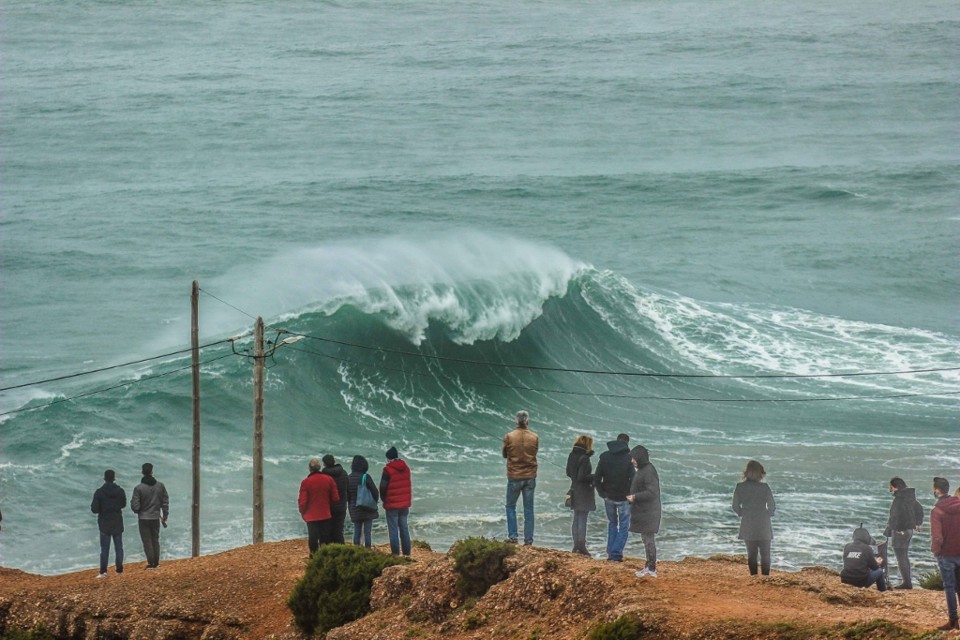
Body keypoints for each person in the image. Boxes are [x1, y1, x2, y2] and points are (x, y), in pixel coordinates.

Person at [594, 434, 634, 562]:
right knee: (623, 526)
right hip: (623, 498)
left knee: (612, 523)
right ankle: (615, 554)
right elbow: (633, 479)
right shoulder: (628, 459)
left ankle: (611, 551)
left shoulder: (605, 456)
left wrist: (601, 492)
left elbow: (596, 478)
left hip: (608, 497)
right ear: (626, 443)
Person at [732, 460, 776, 576]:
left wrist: (742, 513)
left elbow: (735, 506)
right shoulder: (764, 487)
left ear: (746, 473)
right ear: (760, 474)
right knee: (765, 553)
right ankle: (766, 577)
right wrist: (768, 514)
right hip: (763, 521)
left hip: (748, 521)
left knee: (752, 553)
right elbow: (772, 506)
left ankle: (754, 577)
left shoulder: (740, 487)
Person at [502, 410, 539, 545]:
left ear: (516, 421)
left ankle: (513, 537)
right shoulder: (534, 437)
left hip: (514, 476)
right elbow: (534, 452)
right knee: (529, 509)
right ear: (527, 421)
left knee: (510, 506)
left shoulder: (509, 436)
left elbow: (505, 455)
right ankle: (528, 540)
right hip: (530, 477)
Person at [884, 477, 924, 589]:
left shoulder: (899, 499)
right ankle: (907, 581)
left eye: (891, 486)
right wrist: (917, 523)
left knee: (901, 557)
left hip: (900, 531)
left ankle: (906, 583)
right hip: (909, 530)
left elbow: (896, 516)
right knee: (904, 556)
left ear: (895, 486)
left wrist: (897, 529)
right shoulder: (910, 497)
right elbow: (919, 509)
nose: (890, 489)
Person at [931, 477, 960, 631]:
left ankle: (953, 620)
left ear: (937, 490)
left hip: (947, 554)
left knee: (949, 587)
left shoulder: (937, 511)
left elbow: (937, 537)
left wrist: (936, 552)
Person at [628, 445, 661, 578]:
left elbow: (652, 492)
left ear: (640, 458)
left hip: (650, 512)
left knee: (648, 539)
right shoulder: (642, 470)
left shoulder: (648, 471)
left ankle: (651, 568)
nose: (632, 461)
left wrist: (635, 497)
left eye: (634, 458)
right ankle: (648, 566)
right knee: (646, 538)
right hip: (644, 511)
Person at [130, 462, 169, 570]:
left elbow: (135, 507)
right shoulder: (160, 486)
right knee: (155, 540)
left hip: (143, 518)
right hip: (156, 517)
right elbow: (165, 502)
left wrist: (136, 507)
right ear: (152, 471)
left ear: (142, 472)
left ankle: (151, 563)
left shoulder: (138, 488)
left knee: (147, 541)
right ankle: (156, 563)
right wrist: (165, 515)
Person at [298, 457, 340, 554]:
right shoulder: (329, 479)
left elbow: (302, 502)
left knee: (313, 540)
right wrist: (328, 506)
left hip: (311, 516)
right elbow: (336, 498)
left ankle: (314, 559)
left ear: (309, 469)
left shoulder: (306, 482)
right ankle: (324, 559)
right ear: (320, 467)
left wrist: (303, 512)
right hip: (325, 513)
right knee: (325, 538)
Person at [91, 469, 126, 578]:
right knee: (119, 547)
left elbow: (94, 509)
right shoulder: (120, 491)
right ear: (114, 478)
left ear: (104, 478)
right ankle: (119, 570)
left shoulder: (99, 492)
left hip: (104, 523)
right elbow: (123, 504)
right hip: (117, 521)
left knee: (104, 549)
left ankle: (103, 572)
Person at [565, 435, 596, 556]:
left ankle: (576, 546)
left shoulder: (572, 455)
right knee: (582, 518)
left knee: (576, 517)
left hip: (574, 488)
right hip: (584, 491)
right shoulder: (584, 458)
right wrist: (595, 476)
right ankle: (581, 546)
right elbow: (582, 477)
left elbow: (568, 472)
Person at [380, 446, 412, 557]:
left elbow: (383, 488)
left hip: (392, 504)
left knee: (393, 530)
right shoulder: (406, 468)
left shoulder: (387, 470)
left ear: (389, 458)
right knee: (404, 528)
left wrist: (384, 500)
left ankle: (395, 554)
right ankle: (407, 554)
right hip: (404, 504)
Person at [840, 526, 887, 591]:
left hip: (845, 579)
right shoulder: (867, 548)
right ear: (866, 537)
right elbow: (874, 567)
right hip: (859, 582)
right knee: (880, 571)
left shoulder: (847, 546)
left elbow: (850, 561)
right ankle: (882, 592)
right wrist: (877, 562)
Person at [347, 455, 380, 548]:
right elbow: (375, 492)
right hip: (367, 508)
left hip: (354, 508)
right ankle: (368, 550)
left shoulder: (348, 478)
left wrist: (351, 505)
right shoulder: (365, 477)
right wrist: (374, 502)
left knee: (356, 531)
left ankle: (356, 551)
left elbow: (347, 496)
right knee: (367, 532)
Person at [322, 455, 349, 544]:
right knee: (338, 530)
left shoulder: (324, 476)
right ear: (334, 461)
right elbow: (347, 489)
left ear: (324, 464)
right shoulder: (344, 473)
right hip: (341, 506)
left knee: (327, 531)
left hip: (329, 507)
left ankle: (330, 552)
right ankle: (341, 552)